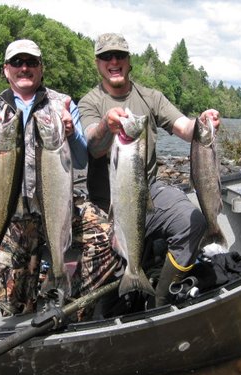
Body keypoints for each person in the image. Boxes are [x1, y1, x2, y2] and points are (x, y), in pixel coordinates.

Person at [78, 33, 221, 307]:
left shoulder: (151, 97)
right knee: (98, 295)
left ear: (129, 61)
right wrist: (107, 127)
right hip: (104, 202)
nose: (114, 61)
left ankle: (161, 299)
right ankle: (128, 278)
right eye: (107, 56)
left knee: (194, 222)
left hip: (149, 191)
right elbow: (93, 146)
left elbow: (184, 128)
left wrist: (203, 121)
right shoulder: (90, 102)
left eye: (120, 55)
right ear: (97, 63)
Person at [0, 38, 87, 315]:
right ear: (6, 70)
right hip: (12, 213)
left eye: (31, 62)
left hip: (56, 206)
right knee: (15, 303)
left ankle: (77, 303)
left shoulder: (64, 104)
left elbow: (81, 159)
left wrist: (72, 134)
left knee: (105, 236)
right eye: (17, 62)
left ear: (41, 68)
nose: (24, 68)